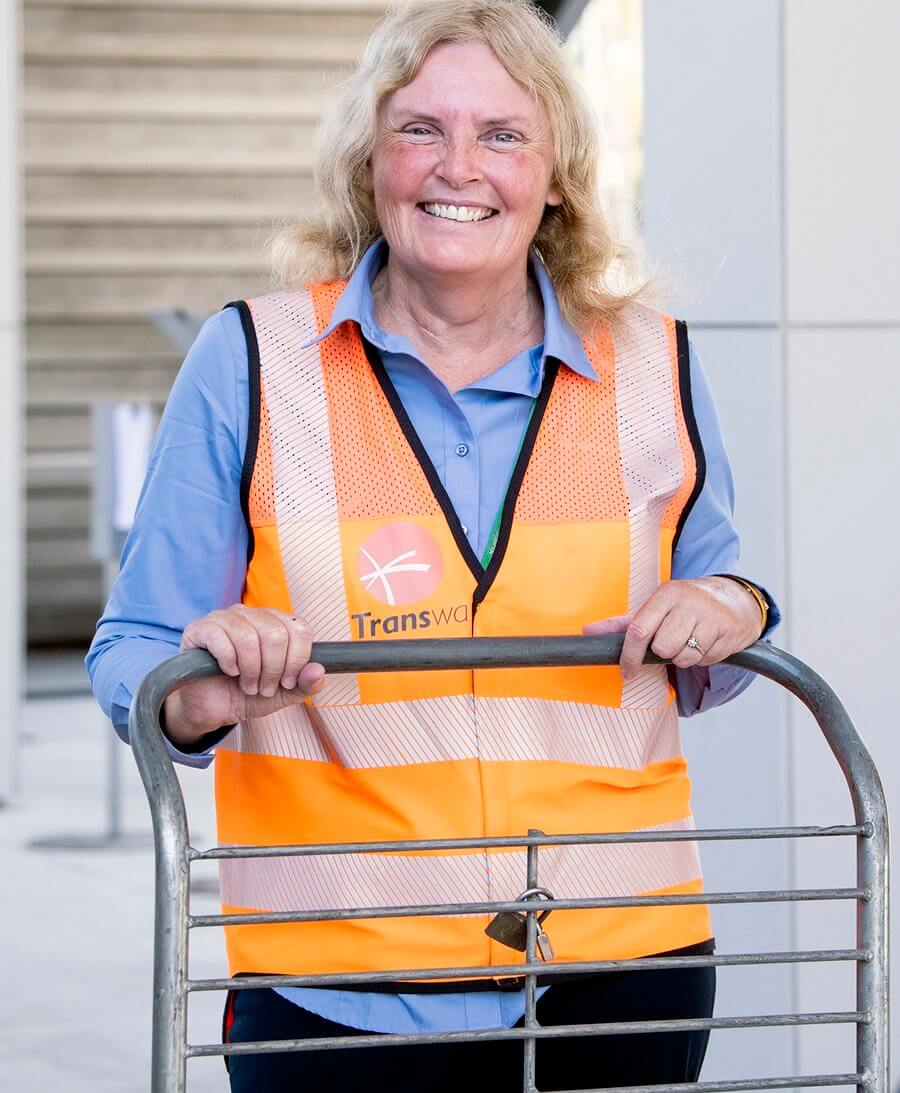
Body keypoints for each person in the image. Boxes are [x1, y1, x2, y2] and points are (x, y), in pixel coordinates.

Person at [87, 1, 779, 1089]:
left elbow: (722, 596)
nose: (459, 165)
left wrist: (735, 610)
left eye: (504, 134)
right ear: (370, 163)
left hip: (621, 969)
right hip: (337, 985)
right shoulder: (251, 362)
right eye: (421, 130)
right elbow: (133, 646)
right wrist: (197, 687)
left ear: (559, 173)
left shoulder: (656, 364)